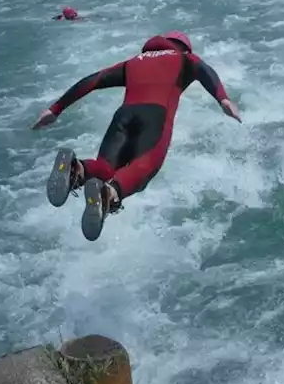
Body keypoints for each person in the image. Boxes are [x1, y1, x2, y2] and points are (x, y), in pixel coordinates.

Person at [32, 30, 242, 241]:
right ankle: (109, 194)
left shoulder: (133, 62)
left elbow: (94, 80)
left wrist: (55, 109)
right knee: (145, 168)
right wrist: (223, 99)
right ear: (184, 47)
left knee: (105, 168)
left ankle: (76, 168)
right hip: (154, 117)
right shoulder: (183, 58)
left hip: (122, 117)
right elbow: (205, 71)